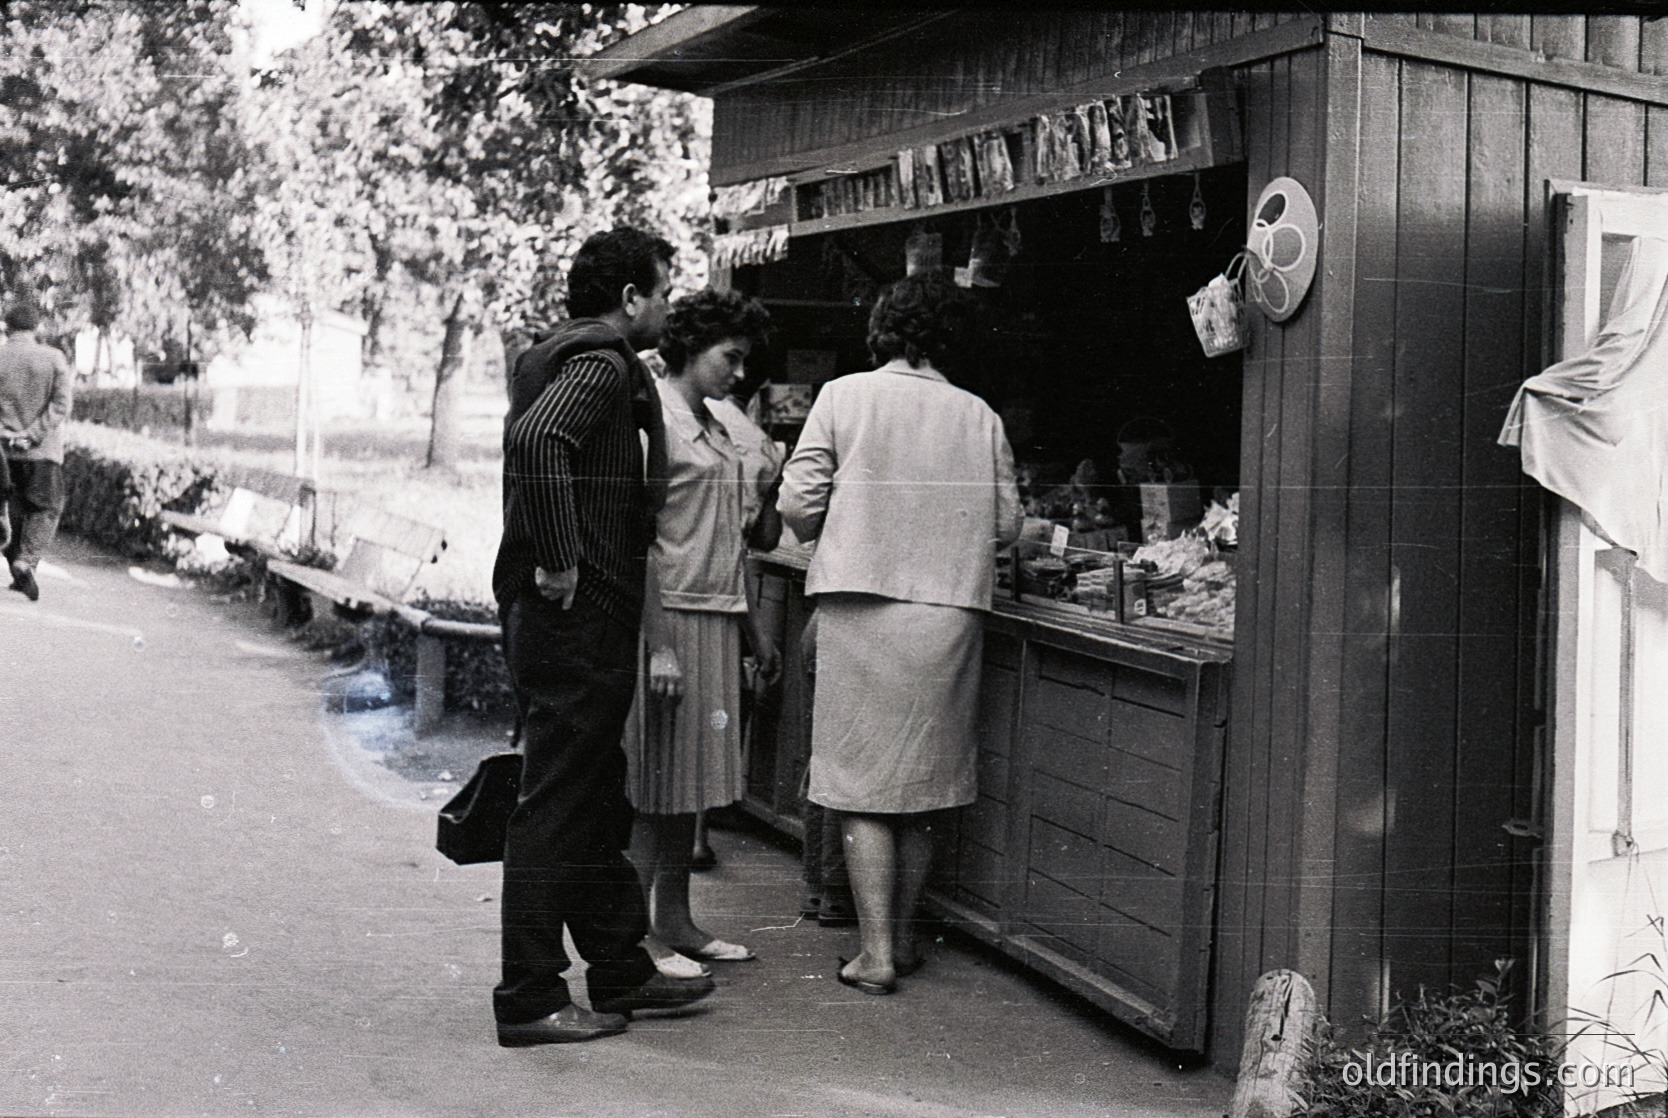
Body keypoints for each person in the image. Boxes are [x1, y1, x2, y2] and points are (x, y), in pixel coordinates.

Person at [490, 227, 713, 1048]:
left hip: (571, 618)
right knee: (557, 802)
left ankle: (620, 966)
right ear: (630, 299)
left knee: (588, 793)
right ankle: (529, 995)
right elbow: (539, 440)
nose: (665, 305)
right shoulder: (601, 361)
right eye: (661, 290)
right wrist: (557, 559)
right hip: (575, 618)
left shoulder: (561, 352)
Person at [778, 271, 1021, 995]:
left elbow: (797, 504)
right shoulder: (979, 415)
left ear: (883, 326)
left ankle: (875, 953)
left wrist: (835, 523)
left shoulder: (842, 396)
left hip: (859, 605)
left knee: (858, 785)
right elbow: (1008, 527)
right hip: (948, 612)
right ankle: (904, 942)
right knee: (924, 783)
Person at [624, 288, 779, 967]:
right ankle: (631, 941)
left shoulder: (715, 424)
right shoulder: (651, 419)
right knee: (654, 787)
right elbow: (642, 543)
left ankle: (678, 920)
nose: (739, 373)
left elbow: (734, 538)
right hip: (669, 621)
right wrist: (659, 645)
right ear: (692, 348)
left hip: (716, 618)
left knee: (689, 790)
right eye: (731, 357)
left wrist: (754, 631)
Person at [0, 303, 73, 602]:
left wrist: (7, 434)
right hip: (42, 452)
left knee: (8, 510)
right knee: (45, 508)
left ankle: (18, 566)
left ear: (6, 327)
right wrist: (31, 435)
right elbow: (61, 406)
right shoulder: (54, 358)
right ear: (36, 328)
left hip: (2, 451)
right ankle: (25, 562)